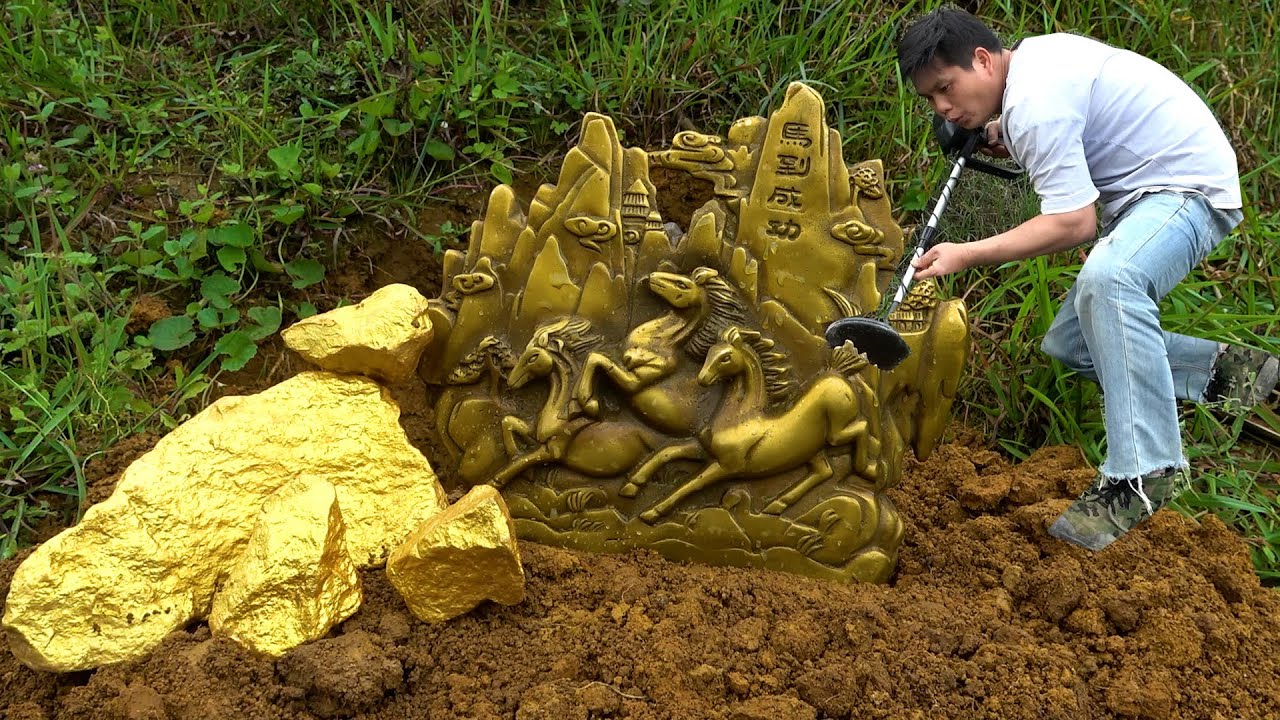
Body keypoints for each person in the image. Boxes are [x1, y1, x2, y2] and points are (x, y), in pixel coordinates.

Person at [895, 6, 1278, 551]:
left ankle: (1143, 472)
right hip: (1154, 194)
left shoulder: (1035, 102)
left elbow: (1074, 223)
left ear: (982, 60)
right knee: (1073, 342)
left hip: (1185, 190)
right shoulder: (1033, 67)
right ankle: (1243, 377)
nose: (942, 108)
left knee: (1112, 278)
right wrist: (999, 131)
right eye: (930, 99)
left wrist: (966, 253)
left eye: (945, 88)